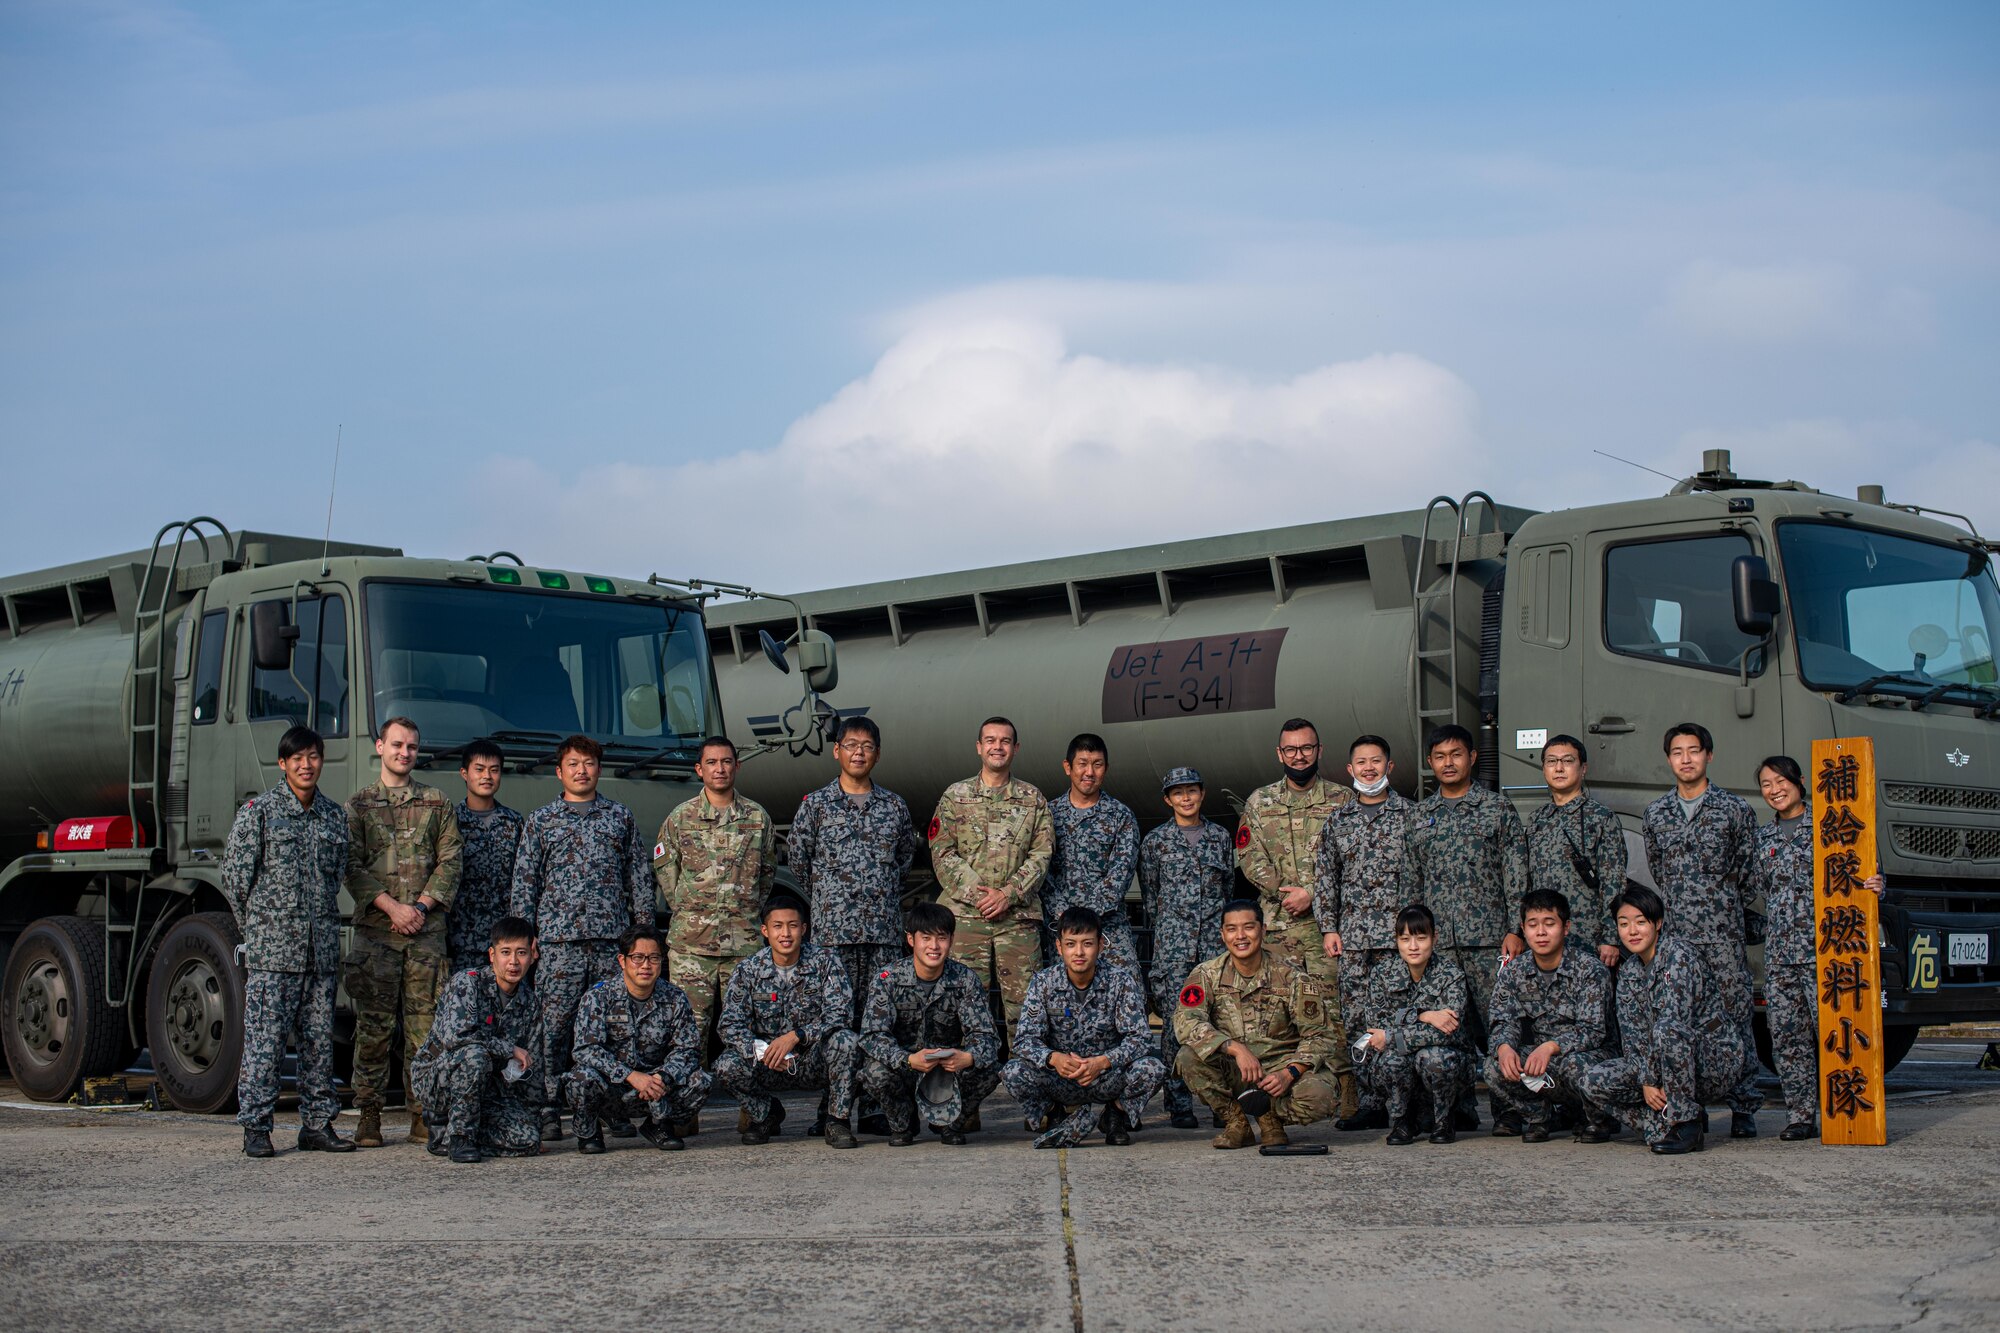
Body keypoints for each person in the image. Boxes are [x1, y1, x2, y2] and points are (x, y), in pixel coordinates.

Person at [510, 734, 654, 1141]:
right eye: (573, 763)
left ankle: (611, 1107)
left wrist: (641, 938)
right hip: (559, 945)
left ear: (599, 769)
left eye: (589, 763)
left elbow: (638, 878)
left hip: (612, 944)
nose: (581, 770)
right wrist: (526, 940)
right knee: (553, 1030)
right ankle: (548, 1108)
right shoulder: (541, 820)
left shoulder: (619, 817)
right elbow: (525, 883)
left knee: (615, 1029)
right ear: (560, 771)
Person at [224, 725, 356, 1157]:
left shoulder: (335, 816)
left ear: (321, 761)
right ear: (282, 764)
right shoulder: (259, 813)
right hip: (274, 953)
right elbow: (235, 881)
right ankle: (257, 1128)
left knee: (319, 1044)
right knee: (266, 1043)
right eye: (296, 758)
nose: (306, 764)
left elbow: (336, 876)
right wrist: (259, 933)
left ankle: (317, 1125)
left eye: (313, 756)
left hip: (319, 953)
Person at [788, 714, 918, 1134]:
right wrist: (832, 900)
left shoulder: (893, 806)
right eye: (851, 745)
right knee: (835, 1020)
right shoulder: (816, 805)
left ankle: (877, 1107)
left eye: (866, 746)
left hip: (881, 933)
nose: (858, 752)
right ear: (836, 751)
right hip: (833, 936)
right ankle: (833, 1106)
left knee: (878, 1020)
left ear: (877, 754)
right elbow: (799, 860)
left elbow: (903, 861)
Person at [343, 715, 464, 1148]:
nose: (404, 753)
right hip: (377, 935)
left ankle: (421, 1114)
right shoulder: (359, 806)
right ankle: (369, 1116)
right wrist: (392, 908)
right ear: (380, 747)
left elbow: (451, 862)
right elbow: (350, 867)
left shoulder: (436, 803)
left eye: (411, 747)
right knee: (372, 1031)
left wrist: (419, 908)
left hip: (425, 935)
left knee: (425, 1031)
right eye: (396, 745)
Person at [1754, 754, 1885, 1142]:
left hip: (1828, 952)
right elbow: (1760, 891)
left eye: (1781, 781)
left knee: (1834, 1032)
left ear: (1799, 783)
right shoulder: (1763, 837)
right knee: (1788, 1038)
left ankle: (1842, 1114)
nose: (1774, 790)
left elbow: (1866, 872)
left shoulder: (1834, 825)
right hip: (1780, 956)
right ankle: (1800, 1115)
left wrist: (1878, 885)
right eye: (1766, 784)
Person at [1641, 722, 1761, 1138]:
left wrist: (1721, 905)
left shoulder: (1734, 809)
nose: (1686, 759)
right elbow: (1659, 870)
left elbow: (1749, 872)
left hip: (1724, 935)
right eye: (1677, 752)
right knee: (1679, 1020)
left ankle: (1744, 1107)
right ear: (1669, 758)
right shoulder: (1656, 813)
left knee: (1735, 1016)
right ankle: (1689, 1106)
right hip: (1676, 938)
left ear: (1709, 755)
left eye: (1694, 751)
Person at [1408, 722, 1529, 1130]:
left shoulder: (1497, 809)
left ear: (1472, 758)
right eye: (1440, 756)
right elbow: (1412, 882)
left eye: (1456, 754)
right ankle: (1457, 1110)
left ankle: (1509, 1109)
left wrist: (1515, 929)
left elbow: (1516, 876)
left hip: (1490, 941)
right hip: (1439, 947)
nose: (1448, 763)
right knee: (1449, 1029)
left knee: (1499, 1024)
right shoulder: (1421, 816)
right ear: (1430, 763)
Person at [1577, 886, 1759, 1154]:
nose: (1632, 931)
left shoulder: (1679, 956)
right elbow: (1633, 1037)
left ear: (1658, 923)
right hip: (1662, 1065)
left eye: (1641, 922)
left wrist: (1650, 1078)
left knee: (1667, 1029)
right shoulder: (1629, 971)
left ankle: (1684, 1122)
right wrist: (1645, 1081)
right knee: (1591, 1080)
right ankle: (1661, 1124)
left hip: (1713, 1061)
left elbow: (1675, 1021)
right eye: (1624, 924)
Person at [654, 735, 776, 1133]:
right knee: (690, 1032)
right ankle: (686, 1113)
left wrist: (743, 912)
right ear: (699, 770)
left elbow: (767, 873)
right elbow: (666, 871)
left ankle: (751, 1111)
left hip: (744, 944)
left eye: (726, 761)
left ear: (736, 767)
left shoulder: (757, 817)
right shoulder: (680, 817)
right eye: (712, 762)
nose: (719, 768)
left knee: (747, 1030)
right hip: (692, 946)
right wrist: (691, 910)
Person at [1313, 734, 1422, 1131]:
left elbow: (1422, 876)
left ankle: (1407, 1103)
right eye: (1362, 762)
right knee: (1357, 1020)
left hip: (1401, 941)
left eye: (1376, 761)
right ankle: (1372, 1101)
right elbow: (1326, 878)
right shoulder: (1337, 821)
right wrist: (1329, 928)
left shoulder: (1411, 816)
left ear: (1389, 767)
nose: (1369, 768)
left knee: (1401, 1018)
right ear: (1350, 770)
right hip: (1355, 939)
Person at [1172, 899, 1343, 1149]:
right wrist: (1235, 1049)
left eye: (1249, 927)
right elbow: (1186, 1021)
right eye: (1231, 929)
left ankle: (1270, 1117)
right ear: (1222, 935)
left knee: (1320, 1097)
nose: (1240, 936)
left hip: (1279, 1068)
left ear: (1263, 931)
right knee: (1187, 1057)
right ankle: (1237, 1123)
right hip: (1234, 1067)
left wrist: (1290, 1072)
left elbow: (1321, 1035)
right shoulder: (1206, 974)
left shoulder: (1291, 975)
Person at [929, 717, 1053, 1040]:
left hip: (1017, 920)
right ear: (979, 748)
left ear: (1016, 748)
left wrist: (1008, 894)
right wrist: (979, 895)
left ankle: (1025, 1076)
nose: (998, 747)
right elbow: (942, 851)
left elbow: (1042, 855)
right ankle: (967, 1077)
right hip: (967, 919)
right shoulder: (955, 796)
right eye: (991, 740)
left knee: (1026, 1006)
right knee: (963, 1004)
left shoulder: (1033, 799)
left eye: (1005, 741)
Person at [1002, 906, 1166, 1149]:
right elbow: (1025, 1040)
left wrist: (1103, 1062)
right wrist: (1053, 1058)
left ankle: (1115, 1115)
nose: (1079, 952)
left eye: (1087, 944)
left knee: (1153, 1068)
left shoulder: (1120, 981)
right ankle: (1054, 1113)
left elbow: (1140, 1039)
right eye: (1070, 944)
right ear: (1059, 947)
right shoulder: (1044, 983)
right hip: (1061, 1077)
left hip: (1105, 1076)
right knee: (1013, 1072)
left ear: (1101, 945)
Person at [712, 896, 863, 1149]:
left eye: (793, 926)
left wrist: (797, 1036)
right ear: (765, 931)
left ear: (803, 929)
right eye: (778, 926)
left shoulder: (826, 962)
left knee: (847, 1042)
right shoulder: (748, 970)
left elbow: (841, 1014)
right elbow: (730, 1025)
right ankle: (766, 1113)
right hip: (770, 1064)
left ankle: (836, 1119)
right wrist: (764, 1051)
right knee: (726, 1065)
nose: (786, 933)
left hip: (811, 1060)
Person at [856, 902, 1003, 1146]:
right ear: (911, 940)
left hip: (947, 1070)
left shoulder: (964, 979)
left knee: (989, 1068)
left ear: (952, 940)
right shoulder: (888, 979)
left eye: (941, 938)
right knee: (874, 1072)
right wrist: (906, 1059)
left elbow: (986, 1036)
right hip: (905, 1066)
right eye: (926, 938)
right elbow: (872, 1036)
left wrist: (967, 1057)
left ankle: (949, 1123)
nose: (934, 947)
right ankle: (903, 1124)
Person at [1137, 767, 1234, 1129]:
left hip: (1212, 947)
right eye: (1178, 793)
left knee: (1220, 1021)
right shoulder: (1156, 842)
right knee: (1175, 1026)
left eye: (1192, 791)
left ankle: (1222, 1104)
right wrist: (1174, 927)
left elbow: (1226, 890)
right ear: (1168, 799)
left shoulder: (1220, 838)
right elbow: (1151, 896)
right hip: (1173, 950)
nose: (1186, 798)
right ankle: (1178, 1104)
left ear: (1202, 794)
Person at [1483, 888, 1616, 1143]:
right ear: (1523, 928)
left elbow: (1593, 1031)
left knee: (1575, 1065)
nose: (1541, 932)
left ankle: (1597, 1119)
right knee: (1493, 1066)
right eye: (1533, 925)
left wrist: (1550, 1047)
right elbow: (1503, 1020)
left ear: (1566, 927)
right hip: (1542, 1061)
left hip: (1588, 1057)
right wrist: (1504, 1048)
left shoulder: (1589, 970)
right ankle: (1539, 1118)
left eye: (1549, 923)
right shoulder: (1514, 972)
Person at [409, 916, 543, 1163]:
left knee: (529, 1140)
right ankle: (459, 1136)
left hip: (488, 1089)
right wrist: (509, 1048)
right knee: (475, 1055)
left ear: (532, 956)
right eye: (506, 952)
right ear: (492, 955)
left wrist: (531, 1119)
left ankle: (447, 1134)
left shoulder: (530, 1002)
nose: (513, 961)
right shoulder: (467, 982)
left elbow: (532, 1066)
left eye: (521, 953)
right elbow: (458, 1039)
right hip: (438, 1077)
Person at [566, 926, 712, 1153]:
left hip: (655, 1089)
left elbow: (688, 1049)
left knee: (700, 1080)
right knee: (580, 1078)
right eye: (638, 958)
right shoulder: (598, 997)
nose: (646, 965)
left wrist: (661, 1078)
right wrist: (631, 1076)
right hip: (612, 1088)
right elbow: (585, 1049)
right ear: (622, 961)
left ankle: (658, 1126)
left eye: (653, 958)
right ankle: (589, 1132)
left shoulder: (674, 997)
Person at [1236, 718, 1353, 991]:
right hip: (1278, 930)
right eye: (1291, 749)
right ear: (1280, 753)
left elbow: (1352, 859)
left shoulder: (1343, 800)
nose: (1299, 756)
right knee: (1280, 1012)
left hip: (1329, 929)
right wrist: (1285, 895)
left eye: (1306, 748)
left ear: (1319, 750)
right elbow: (1250, 856)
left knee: (1331, 1012)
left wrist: (1311, 893)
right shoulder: (1260, 801)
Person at [1355, 904, 1474, 1146]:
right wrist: (1423, 1015)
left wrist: (1394, 1034)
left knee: (1434, 1057)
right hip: (1401, 1063)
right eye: (1405, 938)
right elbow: (1376, 1028)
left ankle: (1444, 1119)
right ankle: (1402, 1119)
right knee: (1392, 1059)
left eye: (1421, 938)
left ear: (1435, 938)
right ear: (1396, 940)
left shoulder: (1451, 975)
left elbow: (1447, 1032)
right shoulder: (1382, 974)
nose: (1413, 946)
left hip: (1447, 1065)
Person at [1523, 735, 1626, 966]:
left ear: (1583, 768)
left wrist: (1611, 937)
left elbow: (1614, 882)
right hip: (1545, 939)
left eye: (1567, 761)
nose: (1558, 768)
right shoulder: (1537, 819)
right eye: (1551, 761)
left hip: (1588, 938)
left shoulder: (1601, 818)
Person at [1043, 734, 1141, 973]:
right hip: (1063, 928)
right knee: (1065, 996)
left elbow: (1121, 872)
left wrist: (1087, 916)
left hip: (1109, 927)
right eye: (1082, 764)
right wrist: (1065, 916)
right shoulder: (1047, 815)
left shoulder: (1121, 816)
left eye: (1097, 765)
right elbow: (1040, 869)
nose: (1089, 772)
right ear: (1068, 767)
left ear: (1105, 769)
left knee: (1127, 992)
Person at [448, 739, 525, 973]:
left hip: (505, 940)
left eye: (494, 770)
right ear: (464, 773)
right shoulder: (450, 820)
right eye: (479, 769)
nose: (487, 777)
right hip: (461, 937)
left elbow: (524, 879)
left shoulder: (514, 822)